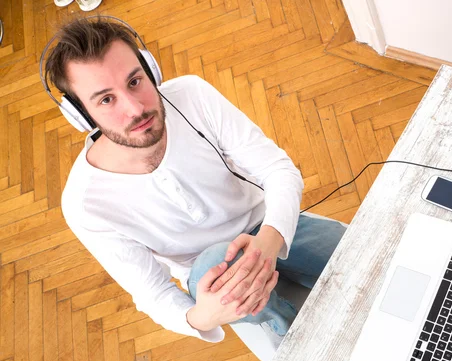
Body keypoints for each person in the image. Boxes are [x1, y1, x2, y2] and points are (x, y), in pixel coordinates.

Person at [44, 17, 346, 344]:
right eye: (106, 99)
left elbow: (277, 169)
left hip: (266, 225)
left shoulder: (192, 95)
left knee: (357, 252)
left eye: (135, 81)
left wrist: (269, 244)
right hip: (208, 273)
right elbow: (153, 293)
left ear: (151, 69)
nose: (134, 109)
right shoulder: (84, 204)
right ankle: (294, 336)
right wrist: (204, 316)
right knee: (218, 263)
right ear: (80, 116)